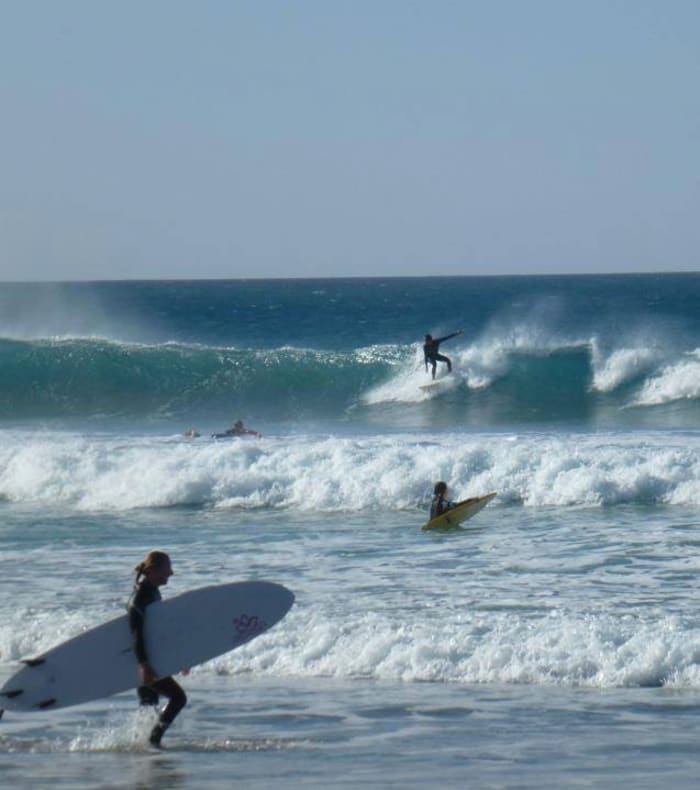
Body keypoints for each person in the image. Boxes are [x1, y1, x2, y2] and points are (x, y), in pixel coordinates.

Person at [128, 550, 187, 748]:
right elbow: (136, 632)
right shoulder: (142, 596)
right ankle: (153, 741)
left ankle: (141, 749)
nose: (171, 573)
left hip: (147, 660)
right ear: (154, 570)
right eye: (167, 568)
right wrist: (144, 665)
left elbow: (158, 634)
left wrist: (179, 659)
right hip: (145, 662)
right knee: (178, 698)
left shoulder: (152, 592)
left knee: (148, 707)